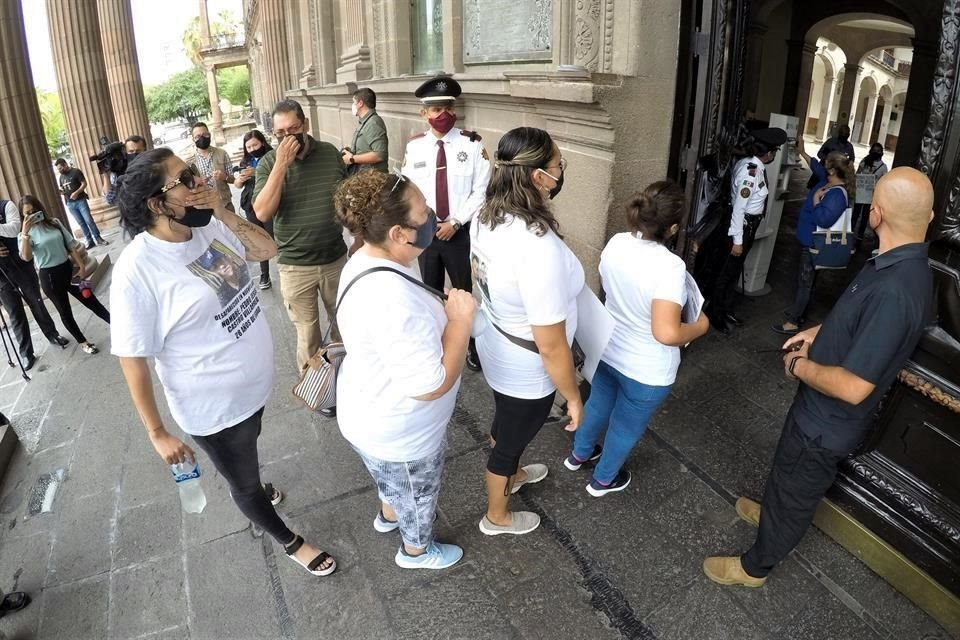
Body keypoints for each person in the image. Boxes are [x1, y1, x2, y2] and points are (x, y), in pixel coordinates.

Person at [703, 167, 935, 588]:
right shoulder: (893, 260)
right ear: (930, 217)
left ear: (876, 214)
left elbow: (853, 386)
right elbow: (856, 319)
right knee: (785, 475)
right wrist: (818, 331)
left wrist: (799, 367)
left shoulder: (897, 291)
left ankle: (756, 567)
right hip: (814, 412)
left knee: (796, 491)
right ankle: (770, 513)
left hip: (824, 426)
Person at [110, 148, 336, 578]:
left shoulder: (206, 225)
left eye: (194, 172)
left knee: (248, 451)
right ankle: (288, 540)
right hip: (214, 409)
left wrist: (222, 211)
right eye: (186, 179)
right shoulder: (137, 271)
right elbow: (132, 358)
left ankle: (251, 478)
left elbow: (266, 249)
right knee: (244, 484)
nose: (200, 182)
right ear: (157, 203)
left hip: (252, 392)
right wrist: (157, 433)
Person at [333, 170, 476, 569]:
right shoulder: (391, 298)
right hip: (399, 430)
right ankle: (415, 550)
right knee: (417, 494)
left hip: (367, 409)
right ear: (398, 233)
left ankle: (387, 514)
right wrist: (461, 322)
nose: (431, 215)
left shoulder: (372, 257)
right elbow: (429, 385)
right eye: (423, 212)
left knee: (389, 479)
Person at [470, 126, 583, 536]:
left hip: (497, 342)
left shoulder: (488, 215)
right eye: (557, 165)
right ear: (538, 177)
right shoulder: (537, 247)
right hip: (528, 365)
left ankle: (513, 473)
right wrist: (572, 397)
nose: (559, 172)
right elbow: (552, 345)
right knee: (511, 438)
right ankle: (496, 516)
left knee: (507, 422)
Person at [565, 183, 710, 496]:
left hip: (609, 349)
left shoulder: (616, 243)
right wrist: (700, 326)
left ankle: (579, 454)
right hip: (647, 369)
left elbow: (608, 286)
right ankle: (603, 480)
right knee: (625, 426)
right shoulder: (669, 266)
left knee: (598, 403)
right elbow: (667, 333)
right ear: (672, 227)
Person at [253, 100, 348, 408]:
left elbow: (345, 200)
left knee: (346, 323)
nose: (287, 138)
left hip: (335, 258)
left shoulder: (330, 154)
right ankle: (319, 392)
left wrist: (360, 236)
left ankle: (351, 381)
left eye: (292, 129)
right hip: (296, 267)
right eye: (279, 133)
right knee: (308, 335)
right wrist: (281, 164)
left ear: (305, 125)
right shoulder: (269, 163)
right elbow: (262, 211)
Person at [402, 76, 490, 373]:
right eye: (434, 109)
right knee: (430, 291)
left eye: (446, 108)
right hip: (426, 232)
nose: (441, 115)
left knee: (464, 291)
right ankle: (437, 341)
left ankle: (473, 346)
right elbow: (409, 189)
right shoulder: (415, 148)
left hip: (459, 233)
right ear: (423, 113)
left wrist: (456, 221)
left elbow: (481, 190)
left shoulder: (473, 145)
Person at [708, 127, 786, 334]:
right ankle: (716, 316)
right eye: (774, 151)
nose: (773, 155)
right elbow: (740, 208)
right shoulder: (750, 172)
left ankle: (724, 310)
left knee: (732, 273)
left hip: (746, 226)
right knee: (725, 274)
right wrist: (738, 241)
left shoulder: (753, 166)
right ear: (768, 152)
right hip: (740, 228)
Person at [772, 151, 855, 336]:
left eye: (827, 166)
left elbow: (824, 220)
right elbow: (817, 168)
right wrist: (801, 150)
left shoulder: (836, 194)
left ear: (833, 171)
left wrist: (817, 200)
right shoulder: (829, 183)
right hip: (809, 241)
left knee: (805, 282)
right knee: (807, 281)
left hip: (813, 244)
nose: (824, 168)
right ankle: (800, 312)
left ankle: (793, 321)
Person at [18, 195, 109, 355]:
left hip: (68, 269)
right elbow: (26, 257)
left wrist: (81, 266)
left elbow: (70, 245)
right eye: (27, 213)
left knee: (90, 299)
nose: (32, 215)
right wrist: (25, 233)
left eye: (34, 211)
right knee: (65, 311)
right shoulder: (26, 235)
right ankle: (83, 342)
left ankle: (117, 324)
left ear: (39, 208)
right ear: (22, 216)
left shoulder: (54, 223)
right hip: (49, 277)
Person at [0, 198, 68, 370]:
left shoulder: (7, 206)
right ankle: (26, 353)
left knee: (36, 302)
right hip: (1, 274)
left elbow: (14, 228)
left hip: (20, 264)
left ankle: (52, 334)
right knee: (14, 313)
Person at [235, 130, 274, 289]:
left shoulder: (272, 157)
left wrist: (257, 173)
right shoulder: (246, 161)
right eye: (249, 147)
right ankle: (265, 275)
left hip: (270, 202)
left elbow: (279, 176)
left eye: (255, 145)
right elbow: (237, 185)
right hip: (251, 205)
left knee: (273, 235)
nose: (252, 149)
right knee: (258, 239)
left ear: (262, 142)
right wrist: (241, 178)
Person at [54, 158, 108, 249]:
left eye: (60, 168)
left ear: (65, 165)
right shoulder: (61, 177)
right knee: (81, 223)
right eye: (58, 169)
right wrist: (61, 192)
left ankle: (98, 238)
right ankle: (89, 241)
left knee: (89, 220)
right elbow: (63, 188)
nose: (59, 171)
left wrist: (76, 192)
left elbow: (84, 183)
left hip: (80, 200)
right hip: (70, 203)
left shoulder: (76, 172)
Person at [183, 122, 235, 211]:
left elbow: (233, 180)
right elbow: (186, 187)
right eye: (198, 136)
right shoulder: (189, 162)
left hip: (225, 205)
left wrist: (225, 177)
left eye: (205, 135)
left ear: (209, 135)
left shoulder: (222, 153)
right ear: (193, 139)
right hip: (203, 208)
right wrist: (197, 183)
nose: (202, 138)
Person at [341, 88, 388, 174]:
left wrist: (352, 158)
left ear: (360, 103)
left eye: (354, 102)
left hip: (374, 179)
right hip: (365, 178)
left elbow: (380, 155)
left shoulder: (373, 123)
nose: (353, 106)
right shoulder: (365, 122)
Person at [853, 142, 889, 242]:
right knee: (856, 213)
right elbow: (858, 173)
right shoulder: (865, 161)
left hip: (871, 194)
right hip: (861, 191)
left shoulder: (883, 167)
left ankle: (860, 234)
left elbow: (884, 182)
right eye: (875, 150)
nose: (876, 152)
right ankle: (851, 231)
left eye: (878, 151)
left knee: (865, 215)